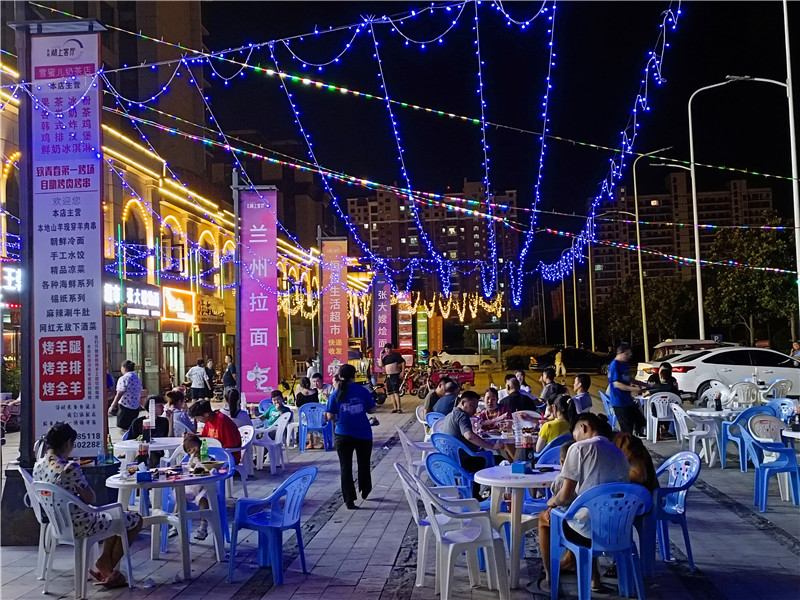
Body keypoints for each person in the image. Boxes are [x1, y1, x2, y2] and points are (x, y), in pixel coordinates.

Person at [34, 423, 143, 588]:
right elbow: (90, 498)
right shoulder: (69, 468)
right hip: (81, 524)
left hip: (58, 524)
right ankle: (107, 566)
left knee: (115, 516)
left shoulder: (38, 466)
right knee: (134, 519)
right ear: (67, 443)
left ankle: (105, 564)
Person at [536, 413, 630, 593]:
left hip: (588, 532)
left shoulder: (579, 448)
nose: (576, 440)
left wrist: (552, 501)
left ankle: (550, 579)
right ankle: (594, 579)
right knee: (586, 512)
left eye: (576, 436)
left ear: (583, 427)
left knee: (545, 518)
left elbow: (564, 496)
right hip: (618, 530)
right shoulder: (619, 453)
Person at [325, 363, 376, 510]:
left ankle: (349, 499)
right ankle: (365, 489)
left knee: (345, 467)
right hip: (363, 433)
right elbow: (372, 409)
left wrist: (340, 419)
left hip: (343, 434)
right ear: (354, 376)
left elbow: (330, 415)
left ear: (340, 376)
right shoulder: (362, 391)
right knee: (364, 463)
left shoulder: (335, 394)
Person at [439, 391, 509, 495]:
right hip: (463, 462)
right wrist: (492, 446)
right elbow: (469, 436)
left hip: (450, 461)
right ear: (463, 403)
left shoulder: (450, 415)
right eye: (472, 406)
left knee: (482, 454)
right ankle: (497, 493)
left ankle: (476, 493)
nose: (474, 410)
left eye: (476, 407)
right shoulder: (462, 416)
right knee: (500, 460)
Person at [607, 342, 646, 435]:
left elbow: (628, 378)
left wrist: (644, 384)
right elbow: (617, 384)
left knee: (640, 421)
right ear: (620, 353)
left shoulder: (624, 364)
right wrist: (633, 389)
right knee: (626, 428)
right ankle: (625, 442)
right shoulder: (614, 365)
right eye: (626, 354)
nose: (628, 356)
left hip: (627, 400)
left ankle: (636, 435)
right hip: (619, 401)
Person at [126, 394, 173, 467]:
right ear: (151, 407)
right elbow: (129, 440)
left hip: (158, 453)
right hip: (141, 452)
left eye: (163, 405)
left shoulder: (164, 421)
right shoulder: (138, 422)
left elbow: (170, 439)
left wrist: (170, 421)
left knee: (153, 455)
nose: (163, 408)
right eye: (160, 406)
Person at [181, 434, 213, 540]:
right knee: (181, 495)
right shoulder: (191, 461)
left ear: (200, 445)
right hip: (192, 487)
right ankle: (176, 523)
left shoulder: (207, 457)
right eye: (189, 450)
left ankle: (203, 527)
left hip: (205, 487)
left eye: (194, 446)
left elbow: (212, 468)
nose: (193, 450)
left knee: (203, 498)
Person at [107, 360, 143, 431]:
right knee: (131, 428)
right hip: (135, 407)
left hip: (125, 406)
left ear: (124, 368)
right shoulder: (137, 378)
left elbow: (119, 393)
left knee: (122, 429)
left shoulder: (123, 378)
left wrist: (113, 405)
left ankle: (128, 438)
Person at [381, 343, 406, 413]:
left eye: (387, 349)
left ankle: (399, 408)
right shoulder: (385, 358)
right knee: (391, 393)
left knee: (396, 392)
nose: (386, 351)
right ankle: (394, 408)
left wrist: (402, 372)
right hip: (388, 376)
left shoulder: (396, 355)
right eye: (385, 349)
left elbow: (403, 362)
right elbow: (381, 365)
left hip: (394, 375)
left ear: (391, 349)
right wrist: (380, 356)